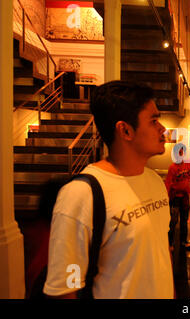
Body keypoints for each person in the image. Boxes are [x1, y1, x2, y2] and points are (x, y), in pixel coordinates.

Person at [44, 81, 174, 298]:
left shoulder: (155, 181)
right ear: (125, 130)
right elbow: (67, 286)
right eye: (153, 121)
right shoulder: (80, 195)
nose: (163, 129)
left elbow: (161, 253)